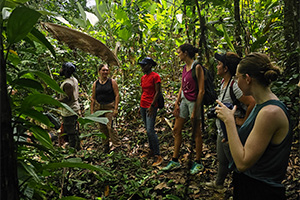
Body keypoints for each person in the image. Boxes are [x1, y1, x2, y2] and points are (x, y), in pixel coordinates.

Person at [215, 53, 292, 200]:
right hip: (249, 185)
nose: (236, 82)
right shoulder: (261, 105)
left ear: (248, 79)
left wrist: (230, 122)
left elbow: (243, 163)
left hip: (261, 190)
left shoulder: (270, 113)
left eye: (238, 77)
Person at [205, 52, 255, 189]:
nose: (217, 66)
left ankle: (241, 188)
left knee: (235, 162)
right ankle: (219, 184)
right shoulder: (223, 82)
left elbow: (252, 103)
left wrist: (243, 121)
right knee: (222, 160)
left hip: (232, 132)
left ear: (226, 68)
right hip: (223, 129)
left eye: (219, 64)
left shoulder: (235, 85)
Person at [162, 43, 205, 174]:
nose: (178, 54)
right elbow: (182, 86)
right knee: (176, 129)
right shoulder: (185, 68)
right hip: (185, 101)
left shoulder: (197, 67)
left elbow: (201, 90)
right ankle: (175, 160)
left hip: (194, 102)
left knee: (196, 132)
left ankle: (198, 162)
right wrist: (177, 103)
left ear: (185, 53)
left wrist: (195, 111)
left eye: (179, 52)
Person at [138, 57, 163, 167]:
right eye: (142, 65)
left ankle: (158, 154)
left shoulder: (155, 76)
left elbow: (158, 92)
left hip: (151, 106)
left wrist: (152, 105)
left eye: (144, 65)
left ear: (150, 65)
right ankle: (151, 151)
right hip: (143, 105)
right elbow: (143, 91)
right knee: (147, 129)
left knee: (150, 130)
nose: (142, 67)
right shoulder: (143, 78)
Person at [91, 64, 121, 153]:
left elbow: (117, 95)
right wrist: (92, 111)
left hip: (109, 107)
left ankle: (116, 145)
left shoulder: (112, 82)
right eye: (103, 70)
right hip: (99, 108)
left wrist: (116, 108)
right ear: (99, 71)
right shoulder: (95, 83)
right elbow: (93, 97)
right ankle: (105, 145)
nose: (105, 72)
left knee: (110, 127)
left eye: (106, 70)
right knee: (102, 128)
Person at [58, 62, 81, 150]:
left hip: (70, 110)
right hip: (72, 109)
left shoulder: (68, 84)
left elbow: (68, 98)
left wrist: (57, 101)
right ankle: (76, 147)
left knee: (71, 132)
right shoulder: (73, 79)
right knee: (72, 130)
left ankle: (73, 149)